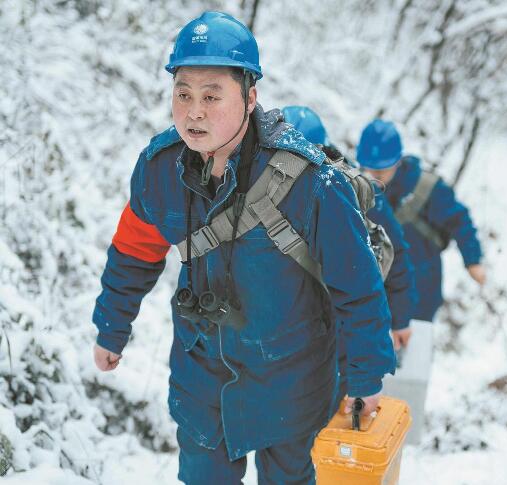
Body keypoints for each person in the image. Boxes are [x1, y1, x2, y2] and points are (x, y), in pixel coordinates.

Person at [91, 13, 395, 485]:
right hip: (201, 378)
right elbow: (134, 251)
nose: (194, 111)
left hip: (292, 379)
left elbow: (356, 285)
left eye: (212, 96)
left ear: (250, 98)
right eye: (184, 93)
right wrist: (112, 325)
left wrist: (365, 377)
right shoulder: (159, 169)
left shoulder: (312, 182)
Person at [356, 119, 485, 439]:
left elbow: (461, 220)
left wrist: (473, 259)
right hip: (381, 286)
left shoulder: (427, 189)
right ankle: (369, 420)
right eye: (366, 169)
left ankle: (405, 423)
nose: (372, 177)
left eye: (380, 172)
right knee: (373, 351)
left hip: (422, 287)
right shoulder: (358, 185)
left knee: (410, 355)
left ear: (398, 163)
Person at [282, 105, 417, 403]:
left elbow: (395, 254)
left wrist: (402, 318)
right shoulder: (264, 192)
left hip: (338, 324)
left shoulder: (356, 190)